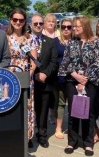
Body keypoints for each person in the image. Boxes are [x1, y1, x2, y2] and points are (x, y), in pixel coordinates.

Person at [58, 16, 99, 156]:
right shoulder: (71, 43)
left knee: (89, 113)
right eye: (74, 26)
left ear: (86, 26)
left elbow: (97, 62)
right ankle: (72, 141)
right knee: (73, 112)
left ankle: (88, 143)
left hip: (89, 83)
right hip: (72, 82)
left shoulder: (96, 42)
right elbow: (66, 61)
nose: (74, 28)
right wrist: (76, 76)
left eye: (78, 26)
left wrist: (85, 80)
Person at [6, 8, 38, 148]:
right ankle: (12, 134)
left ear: (25, 21)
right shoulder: (4, 37)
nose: (18, 22)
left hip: (26, 74)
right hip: (9, 75)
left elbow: (34, 61)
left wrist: (29, 75)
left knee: (27, 106)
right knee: (11, 104)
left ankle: (27, 136)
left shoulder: (30, 38)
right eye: (15, 19)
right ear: (10, 21)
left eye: (21, 20)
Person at [29, 13, 58, 148]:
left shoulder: (50, 41)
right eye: (36, 23)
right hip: (28, 81)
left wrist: (45, 74)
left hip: (44, 82)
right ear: (30, 25)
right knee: (29, 110)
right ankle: (27, 136)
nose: (39, 26)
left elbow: (54, 61)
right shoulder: (25, 40)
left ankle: (42, 135)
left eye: (41, 23)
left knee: (43, 110)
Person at [53, 18, 73, 140]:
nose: (66, 29)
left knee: (73, 104)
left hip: (73, 78)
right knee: (60, 103)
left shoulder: (76, 42)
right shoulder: (55, 42)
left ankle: (73, 128)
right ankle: (58, 128)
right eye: (64, 27)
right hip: (59, 78)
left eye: (69, 27)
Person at [42, 13, 60, 125]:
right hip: (43, 69)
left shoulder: (58, 34)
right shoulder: (41, 34)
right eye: (49, 21)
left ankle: (52, 114)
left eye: (53, 21)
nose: (51, 23)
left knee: (54, 95)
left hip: (56, 68)